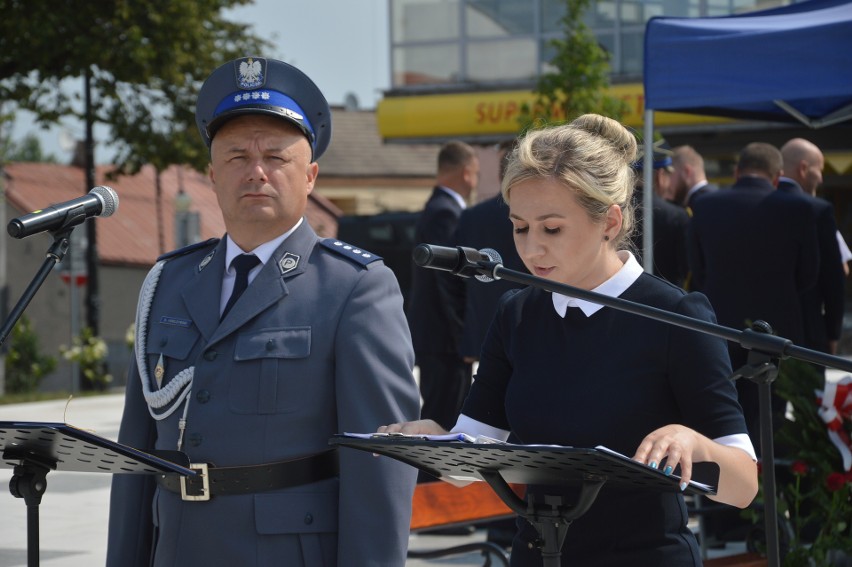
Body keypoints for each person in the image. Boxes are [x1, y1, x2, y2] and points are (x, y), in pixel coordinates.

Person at [382, 114, 758, 566]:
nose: (532, 248)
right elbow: (474, 456)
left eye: (552, 228)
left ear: (610, 222)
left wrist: (693, 443)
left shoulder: (676, 315)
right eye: (520, 227)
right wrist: (435, 441)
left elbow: (743, 486)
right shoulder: (517, 313)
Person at [106, 56, 420, 567]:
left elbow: (379, 464)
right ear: (211, 174)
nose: (256, 172)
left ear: (311, 175)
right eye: (235, 157)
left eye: (276, 156)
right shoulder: (169, 281)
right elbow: (136, 455)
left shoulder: (355, 288)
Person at [689, 142, 819, 447]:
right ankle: (766, 483)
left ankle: (723, 487)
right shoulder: (800, 209)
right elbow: (809, 274)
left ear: (736, 172)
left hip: (719, 325)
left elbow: (697, 269)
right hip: (777, 327)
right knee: (770, 413)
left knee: (722, 410)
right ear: (777, 177)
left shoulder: (705, 207)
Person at [407, 140, 480, 430]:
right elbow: (449, 280)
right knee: (442, 422)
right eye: (476, 173)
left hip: (438, 337)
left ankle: (430, 477)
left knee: (442, 416)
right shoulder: (445, 212)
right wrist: (465, 336)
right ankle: (429, 478)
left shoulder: (437, 206)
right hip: (446, 340)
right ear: (466, 173)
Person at [778, 138, 845, 356]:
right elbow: (833, 279)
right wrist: (832, 333)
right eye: (820, 170)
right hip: (807, 333)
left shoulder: (753, 207)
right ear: (804, 168)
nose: (822, 178)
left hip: (758, 332)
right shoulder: (817, 210)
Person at [631, 140, 691, 288]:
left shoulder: (614, 211)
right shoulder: (676, 215)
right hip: (666, 301)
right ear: (660, 176)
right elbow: (687, 267)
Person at [671, 145, 718, 209]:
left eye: (670, 174)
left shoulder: (701, 202)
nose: (668, 182)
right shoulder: (713, 196)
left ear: (686, 172)